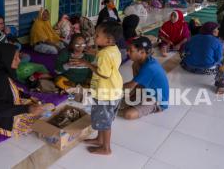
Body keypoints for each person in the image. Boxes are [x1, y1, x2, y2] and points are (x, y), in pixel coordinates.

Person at [71, 21, 123, 155]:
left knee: (105, 122)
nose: (94, 37)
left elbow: (104, 74)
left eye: (97, 35)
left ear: (108, 40)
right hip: (113, 90)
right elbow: (105, 56)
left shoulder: (104, 54)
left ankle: (106, 148)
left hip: (106, 93)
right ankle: (99, 140)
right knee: (103, 119)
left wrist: (86, 63)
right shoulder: (113, 49)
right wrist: (94, 52)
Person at [0, 43, 47, 137]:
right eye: (15, 58)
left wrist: (29, 96)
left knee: (39, 107)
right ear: (4, 59)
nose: (19, 60)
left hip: (4, 110)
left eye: (18, 57)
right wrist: (27, 109)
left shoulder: (2, 71)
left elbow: (12, 89)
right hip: (2, 121)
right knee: (40, 116)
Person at [121, 36, 169, 119]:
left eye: (131, 51)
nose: (128, 52)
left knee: (128, 114)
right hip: (145, 92)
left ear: (142, 52)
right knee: (120, 101)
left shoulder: (149, 67)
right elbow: (136, 83)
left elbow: (131, 85)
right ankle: (136, 98)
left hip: (157, 100)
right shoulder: (138, 63)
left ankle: (154, 107)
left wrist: (112, 87)